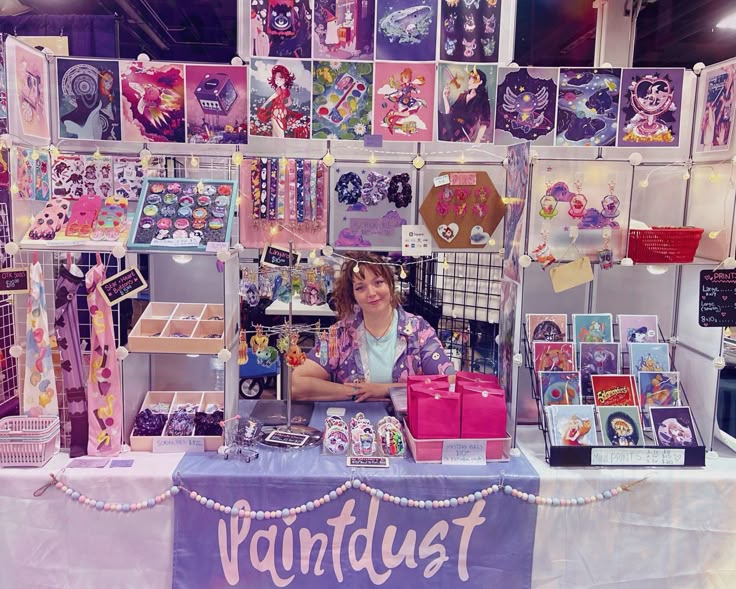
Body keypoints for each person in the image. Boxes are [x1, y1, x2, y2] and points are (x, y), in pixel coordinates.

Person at [292, 252, 455, 402]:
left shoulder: (418, 330)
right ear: (353, 296)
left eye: (378, 282)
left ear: (390, 285)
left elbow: (448, 382)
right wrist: (357, 391)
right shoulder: (339, 334)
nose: (371, 293)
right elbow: (297, 384)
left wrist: (384, 390)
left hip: (408, 427)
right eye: (360, 287)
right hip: (355, 425)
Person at [438, 67, 491, 143]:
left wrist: (477, 141)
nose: (469, 80)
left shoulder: (483, 100)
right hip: (452, 124)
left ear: (480, 82)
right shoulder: (462, 95)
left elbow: (484, 123)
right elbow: (449, 113)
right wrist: (445, 97)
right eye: (470, 78)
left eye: (473, 78)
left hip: (464, 129)